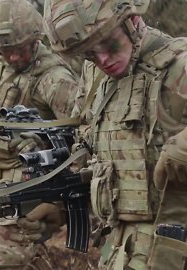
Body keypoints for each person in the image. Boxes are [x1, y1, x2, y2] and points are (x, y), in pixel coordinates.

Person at [24, 0, 187, 269]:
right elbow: (93, 148)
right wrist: (64, 204)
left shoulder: (179, 65)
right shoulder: (94, 78)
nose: (102, 60)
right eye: (88, 54)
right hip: (123, 250)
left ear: (132, 21)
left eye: (109, 44)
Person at [0, 0, 79, 269]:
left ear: (36, 39)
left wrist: (58, 202)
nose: (13, 58)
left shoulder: (55, 78)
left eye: (20, 50)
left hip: (32, 187)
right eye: (5, 51)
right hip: (2, 180)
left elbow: (83, 137)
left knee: (1, 264)